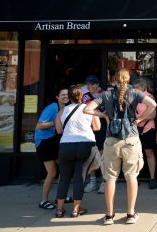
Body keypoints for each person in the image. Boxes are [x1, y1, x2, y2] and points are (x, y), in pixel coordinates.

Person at [84, 68, 157, 225]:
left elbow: (87, 109)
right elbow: (153, 104)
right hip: (131, 138)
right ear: (128, 79)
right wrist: (138, 119)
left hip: (111, 140)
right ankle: (130, 214)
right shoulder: (135, 93)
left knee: (110, 177)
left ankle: (109, 216)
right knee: (131, 176)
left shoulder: (106, 95)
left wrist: (104, 115)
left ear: (114, 80)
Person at [54, 85, 101, 218]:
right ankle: (76, 209)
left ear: (69, 97)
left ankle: (59, 209)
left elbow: (59, 131)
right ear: (82, 96)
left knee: (64, 178)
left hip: (66, 145)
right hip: (86, 144)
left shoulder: (62, 111)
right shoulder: (89, 108)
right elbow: (97, 127)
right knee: (80, 178)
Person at [35, 87, 69, 210]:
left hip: (53, 140)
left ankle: (61, 196)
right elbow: (39, 125)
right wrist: (55, 122)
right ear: (57, 97)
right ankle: (43, 200)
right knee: (52, 172)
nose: (65, 96)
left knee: (64, 168)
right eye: (63, 94)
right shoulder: (53, 107)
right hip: (44, 142)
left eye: (67, 94)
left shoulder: (65, 108)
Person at [82, 75, 107, 194]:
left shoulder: (105, 94)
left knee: (102, 153)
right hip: (89, 126)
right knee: (90, 153)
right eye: (87, 84)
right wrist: (101, 113)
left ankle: (103, 181)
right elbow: (88, 109)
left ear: (97, 84)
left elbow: (108, 108)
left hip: (103, 127)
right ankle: (92, 181)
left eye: (91, 84)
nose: (89, 86)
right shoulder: (85, 96)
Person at [134, 78, 157, 189]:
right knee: (135, 154)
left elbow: (153, 115)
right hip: (135, 129)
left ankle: (152, 178)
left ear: (144, 87)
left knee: (149, 153)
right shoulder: (133, 97)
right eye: (135, 87)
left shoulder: (149, 97)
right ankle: (135, 177)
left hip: (148, 128)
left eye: (137, 87)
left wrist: (139, 119)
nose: (135, 89)